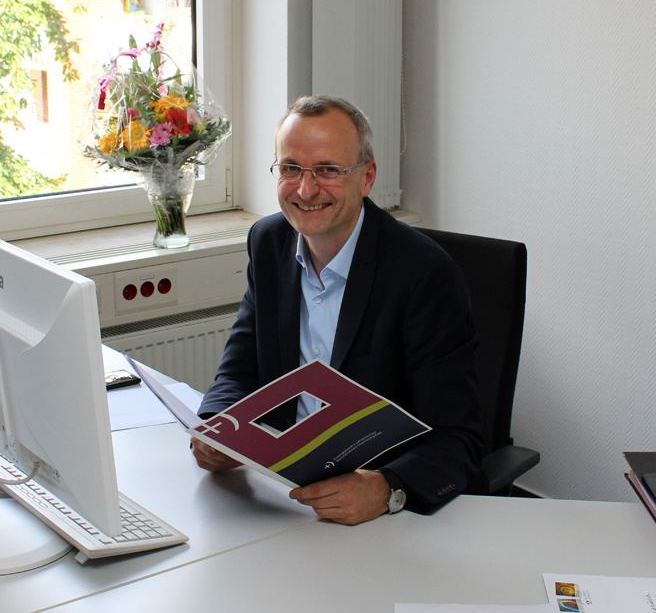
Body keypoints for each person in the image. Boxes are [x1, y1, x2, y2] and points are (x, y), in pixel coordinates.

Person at [193, 95, 485, 525]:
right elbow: (239, 370)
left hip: (382, 513)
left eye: (328, 170)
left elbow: (459, 439)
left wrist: (389, 489)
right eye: (291, 168)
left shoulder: (424, 274)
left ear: (366, 178)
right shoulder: (269, 242)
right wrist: (216, 429)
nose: (306, 189)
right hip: (283, 497)